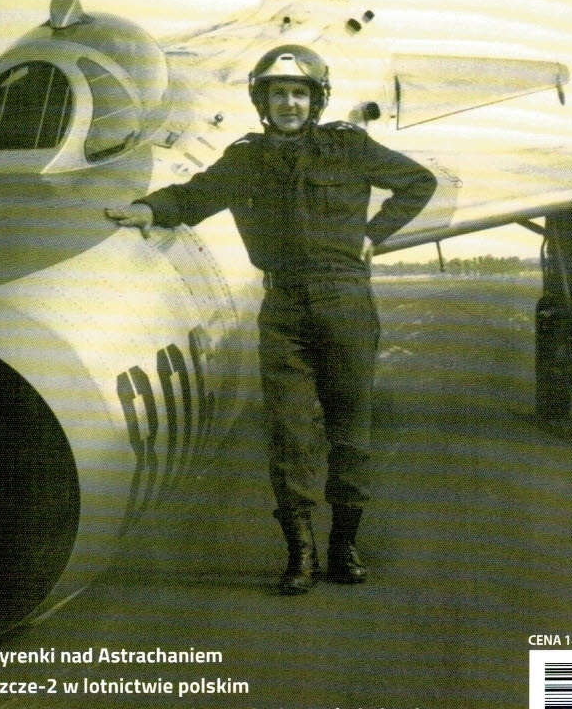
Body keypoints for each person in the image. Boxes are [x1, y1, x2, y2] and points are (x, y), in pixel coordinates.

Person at [106, 46, 437, 594]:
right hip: (283, 308)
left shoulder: (349, 146)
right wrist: (149, 209)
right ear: (263, 101)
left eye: (299, 93)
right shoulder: (246, 159)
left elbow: (418, 181)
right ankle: (300, 553)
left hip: (345, 303)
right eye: (278, 93)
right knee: (288, 435)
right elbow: (193, 197)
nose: (289, 103)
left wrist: (374, 234)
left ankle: (344, 544)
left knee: (350, 432)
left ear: (316, 100)